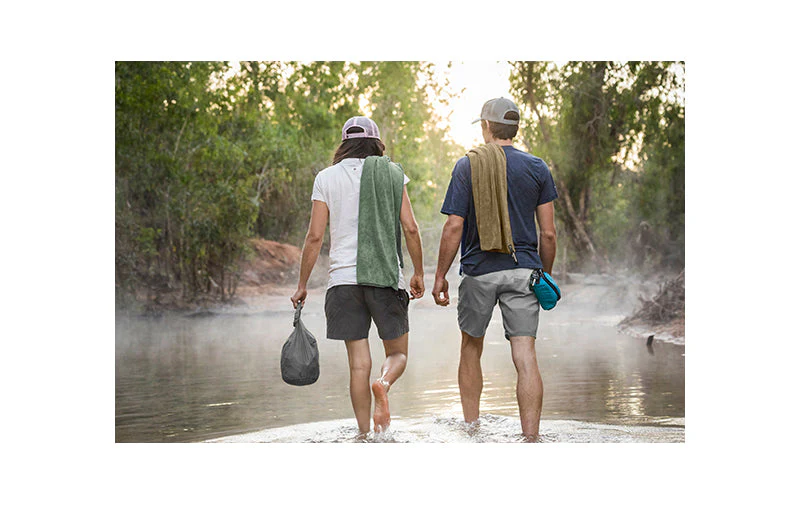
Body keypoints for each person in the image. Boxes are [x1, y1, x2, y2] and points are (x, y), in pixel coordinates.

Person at [431, 98, 558, 441]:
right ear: (514, 128)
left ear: (486, 126)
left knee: (471, 347)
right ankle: (531, 438)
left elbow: (454, 226)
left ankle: (472, 430)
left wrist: (440, 275)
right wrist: (543, 274)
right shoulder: (537, 168)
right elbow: (548, 233)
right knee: (525, 354)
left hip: (479, 270)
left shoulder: (468, 165)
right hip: (524, 270)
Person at [291, 116, 425, 439]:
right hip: (384, 278)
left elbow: (314, 237)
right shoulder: (392, 173)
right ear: (376, 144)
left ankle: (364, 435)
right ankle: (384, 383)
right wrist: (419, 272)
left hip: (342, 282)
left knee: (358, 365)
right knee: (397, 354)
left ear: (344, 144)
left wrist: (302, 285)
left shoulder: (326, 178)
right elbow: (410, 227)